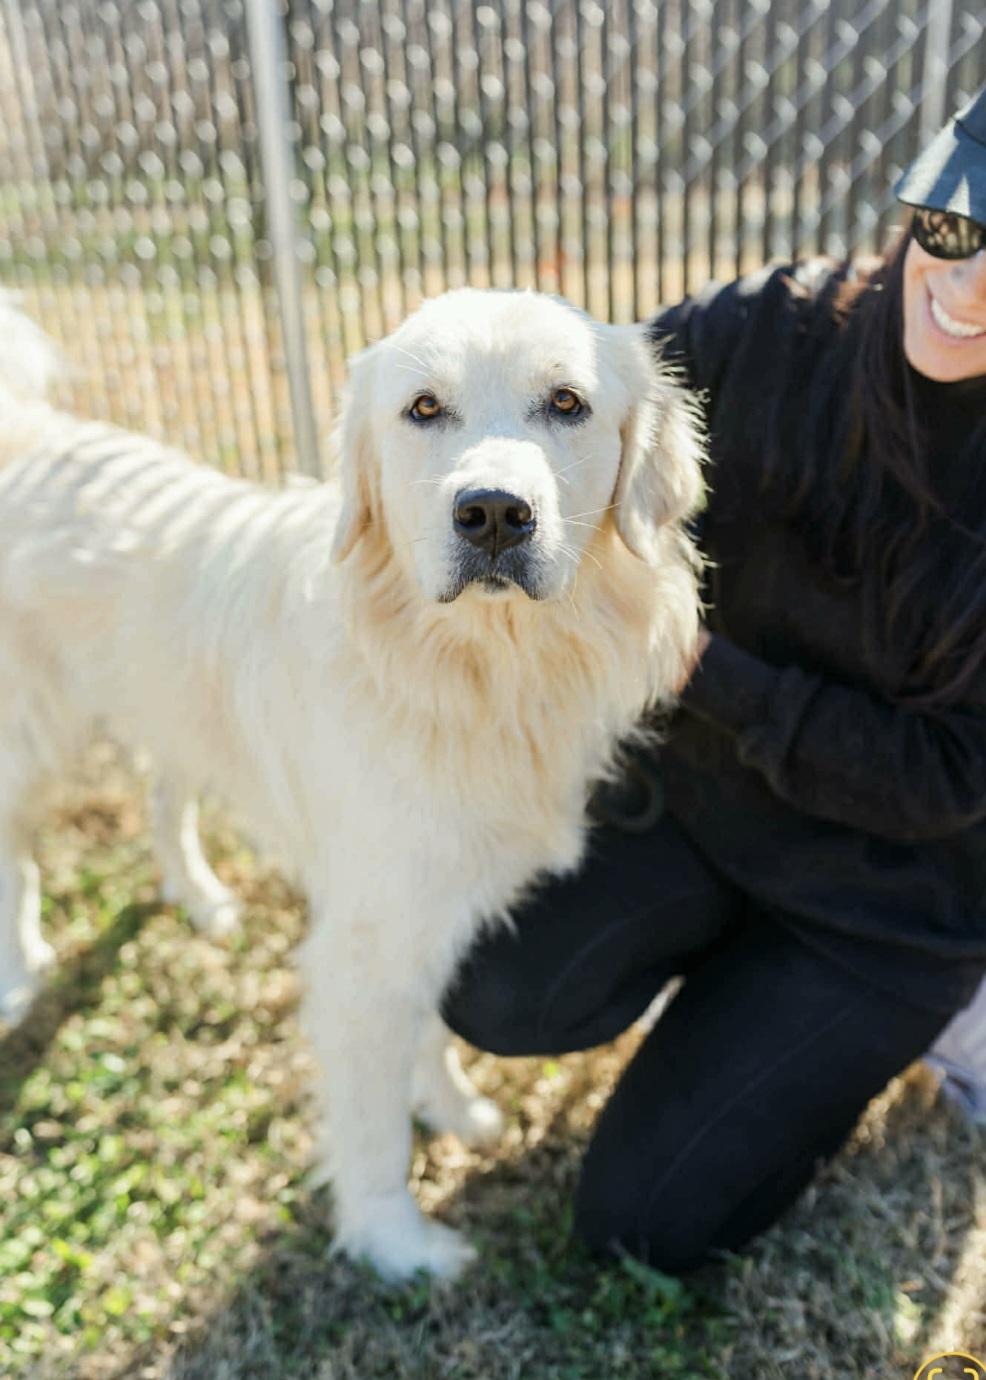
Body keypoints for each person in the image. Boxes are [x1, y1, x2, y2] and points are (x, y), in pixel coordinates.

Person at [440, 84, 986, 1273]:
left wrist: (692, 665)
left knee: (642, 1230)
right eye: (954, 229)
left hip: (883, 903)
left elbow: (947, 779)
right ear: (917, 210)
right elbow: (585, 397)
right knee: (486, 986)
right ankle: (715, 974)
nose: (961, 286)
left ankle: (897, 1026)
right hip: (696, 801)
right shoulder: (773, 329)